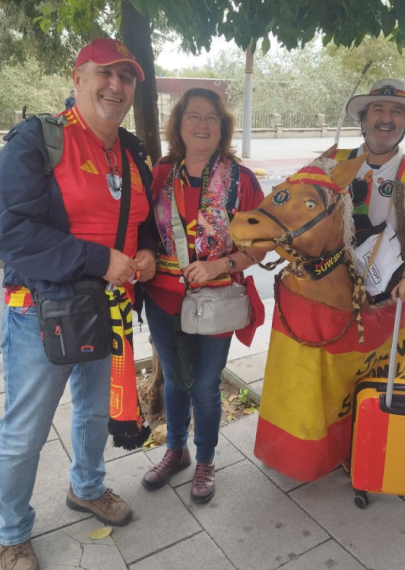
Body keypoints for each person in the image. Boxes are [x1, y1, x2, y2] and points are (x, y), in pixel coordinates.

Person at [0, 38, 157, 570]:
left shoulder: (130, 151)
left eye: (126, 78)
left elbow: (143, 221)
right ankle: (12, 532)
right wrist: (98, 259)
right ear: (77, 76)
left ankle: (87, 487)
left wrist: (145, 253)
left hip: (107, 310)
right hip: (43, 312)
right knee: (25, 431)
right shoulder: (39, 141)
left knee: (91, 413)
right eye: (105, 73)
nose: (116, 86)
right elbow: (8, 231)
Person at [141, 88, 264, 504]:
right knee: (176, 380)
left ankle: (207, 459)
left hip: (216, 300)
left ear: (222, 126)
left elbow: (263, 244)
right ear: (178, 124)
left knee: (207, 386)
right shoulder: (159, 174)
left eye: (211, 117)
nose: (202, 125)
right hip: (163, 297)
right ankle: (176, 451)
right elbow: (140, 229)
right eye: (193, 116)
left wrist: (219, 265)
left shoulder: (242, 181)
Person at [332, 78, 405, 301]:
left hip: (391, 292)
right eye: (378, 109)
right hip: (332, 285)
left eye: (397, 111)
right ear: (364, 117)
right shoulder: (333, 162)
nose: (387, 119)